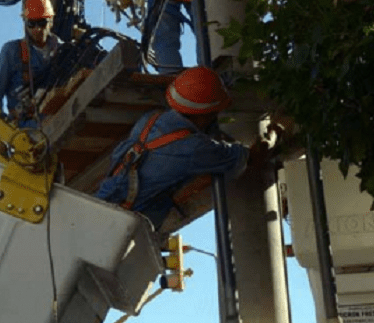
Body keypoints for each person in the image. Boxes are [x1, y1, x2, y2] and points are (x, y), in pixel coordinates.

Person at [95, 66, 261, 229]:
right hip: (122, 227)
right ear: (207, 113)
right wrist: (268, 141)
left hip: (98, 208)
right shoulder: (194, 149)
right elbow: (243, 158)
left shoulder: (150, 120)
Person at [0, 0, 60, 129]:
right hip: (25, 128)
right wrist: (0, 133)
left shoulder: (62, 53)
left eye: (42, 22)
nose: (37, 29)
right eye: (31, 24)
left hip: (57, 122)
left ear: (51, 22)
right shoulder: (12, 51)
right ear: (25, 24)